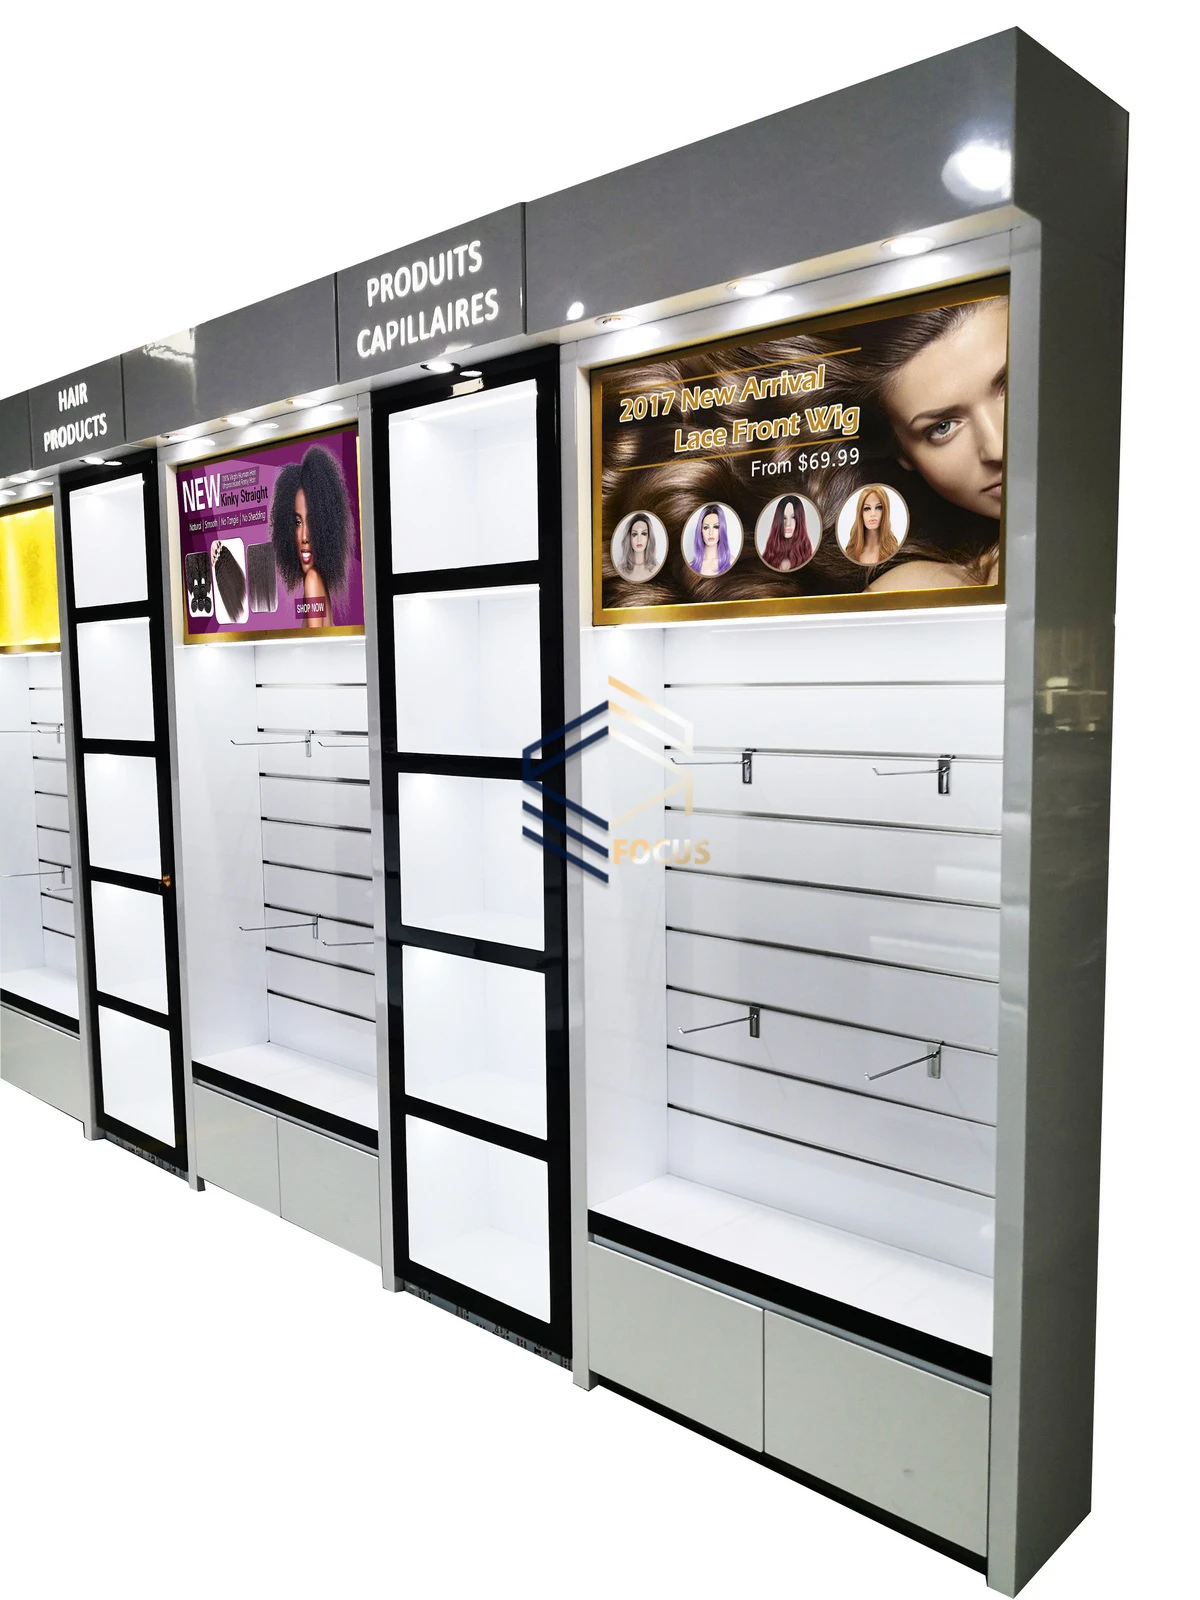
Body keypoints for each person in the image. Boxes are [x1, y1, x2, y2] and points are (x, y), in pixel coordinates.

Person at [270, 445, 352, 628]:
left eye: (312, 521)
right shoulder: (320, 580)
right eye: (298, 522)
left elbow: (315, 643)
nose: (304, 536)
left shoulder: (313, 580)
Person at [842, 486, 899, 566]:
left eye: (879, 507)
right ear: (860, 513)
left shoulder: (895, 551)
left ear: (885, 511)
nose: (873, 514)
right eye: (867, 508)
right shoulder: (850, 553)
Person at [760, 494, 814, 571]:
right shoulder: (768, 557)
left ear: (799, 520)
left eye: (793, 517)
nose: (788, 524)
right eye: (784, 518)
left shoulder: (808, 558)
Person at [689, 503, 731, 576]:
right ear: (701, 531)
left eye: (716, 527)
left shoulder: (731, 562)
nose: (711, 533)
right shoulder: (690, 564)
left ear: (722, 529)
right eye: (706, 527)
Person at [617, 514, 659, 582]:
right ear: (629, 538)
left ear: (649, 538)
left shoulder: (656, 569)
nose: (639, 539)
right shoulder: (620, 569)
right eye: (635, 534)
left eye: (644, 533)